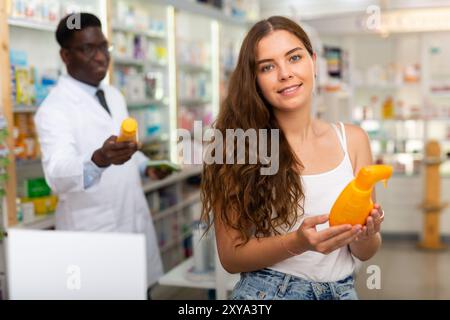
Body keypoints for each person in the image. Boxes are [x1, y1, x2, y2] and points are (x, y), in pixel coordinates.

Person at [200, 16, 384, 300]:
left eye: (294, 57)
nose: (285, 73)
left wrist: (366, 233)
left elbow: (365, 251)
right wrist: (297, 242)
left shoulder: (354, 140)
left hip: (344, 291)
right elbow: (231, 257)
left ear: (313, 61)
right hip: (270, 293)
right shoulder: (239, 147)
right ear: (255, 79)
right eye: (268, 66)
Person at [34, 13, 169, 294]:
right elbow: (58, 174)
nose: (100, 57)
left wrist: (146, 166)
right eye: (87, 49)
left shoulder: (114, 95)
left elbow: (125, 147)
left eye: (103, 47)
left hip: (131, 221)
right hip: (93, 235)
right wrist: (99, 159)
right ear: (65, 55)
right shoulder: (54, 109)